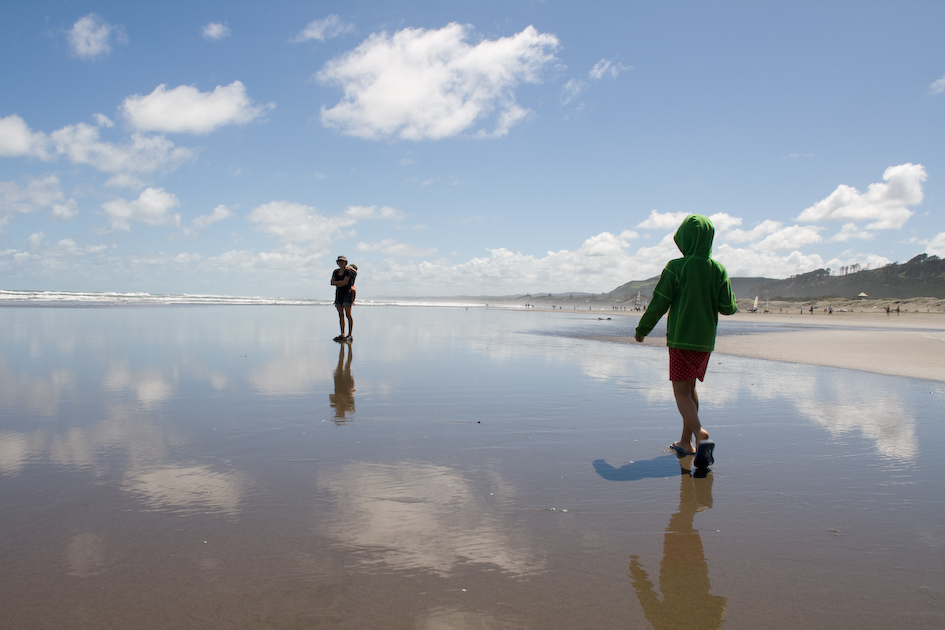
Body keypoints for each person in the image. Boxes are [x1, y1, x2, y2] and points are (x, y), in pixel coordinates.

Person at [634, 215, 737, 468]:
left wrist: (642, 328)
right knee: (690, 389)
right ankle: (685, 442)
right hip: (704, 342)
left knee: (680, 392)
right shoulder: (718, 269)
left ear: (684, 239)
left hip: (681, 339)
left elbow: (659, 302)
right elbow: (728, 307)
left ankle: (700, 433)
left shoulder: (676, 267)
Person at [330, 255, 354, 342]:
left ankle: (350, 334)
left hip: (347, 294)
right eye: (339, 261)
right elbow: (332, 282)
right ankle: (342, 333)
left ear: (345, 262)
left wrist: (338, 283)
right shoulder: (336, 272)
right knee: (340, 315)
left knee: (348, 314)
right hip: (339, 294)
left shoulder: (348, 272)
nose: (340, 263)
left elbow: (345, 283)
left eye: (342, 261)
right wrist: (339, 282)